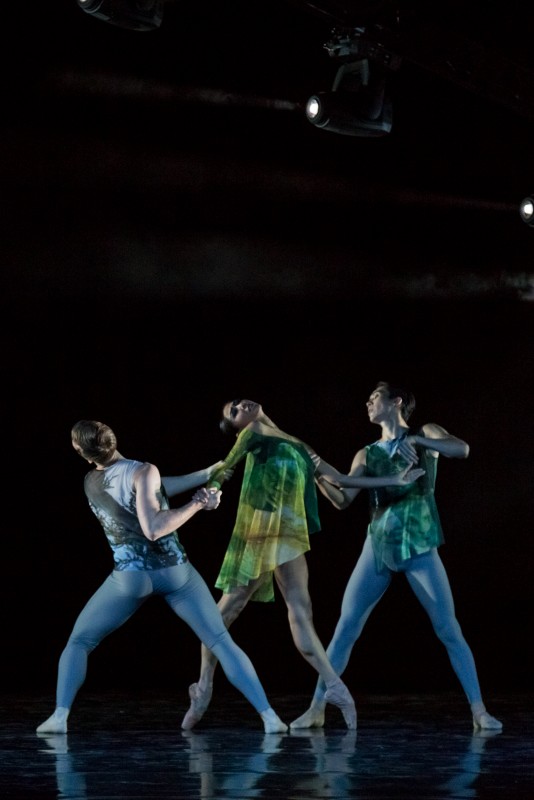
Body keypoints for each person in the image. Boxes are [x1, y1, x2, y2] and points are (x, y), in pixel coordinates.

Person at [181, 398, 425, 731]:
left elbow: (341, 479)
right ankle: (205, 686)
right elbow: (227, 466)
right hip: (260, 529)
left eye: (237, 403)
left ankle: (335, 686)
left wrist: (394, 481)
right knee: (225, 612)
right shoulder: (253, 431)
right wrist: (211, 490)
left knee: (300, 613)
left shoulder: (297, 443)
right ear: (238, 426)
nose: (240, 406)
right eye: (233, 411)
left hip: (288, 534)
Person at [36, 420, 288, 735]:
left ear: (84, 454)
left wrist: (205, 474)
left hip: (130, 580)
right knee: (220, 641)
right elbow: (153, 528)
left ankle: (59, 717)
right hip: (175, 574)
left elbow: (154, 491)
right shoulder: (144, 470)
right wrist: (198, 503)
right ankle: (270, 718)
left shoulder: (91, 482)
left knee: (79, 642)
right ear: (111, 435)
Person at [290, 381, 503, 732]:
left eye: (374, 397)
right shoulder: (366, 454)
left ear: (396, 402)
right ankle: (316, 709)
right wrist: (317, 475)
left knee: (448, 629)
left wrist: (420, 443)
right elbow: (342, 499)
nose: (368, 402)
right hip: (378, 547)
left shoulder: (426, 432)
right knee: (345, 629)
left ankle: (479, 711)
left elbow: (461, 449)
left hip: (419, 546)